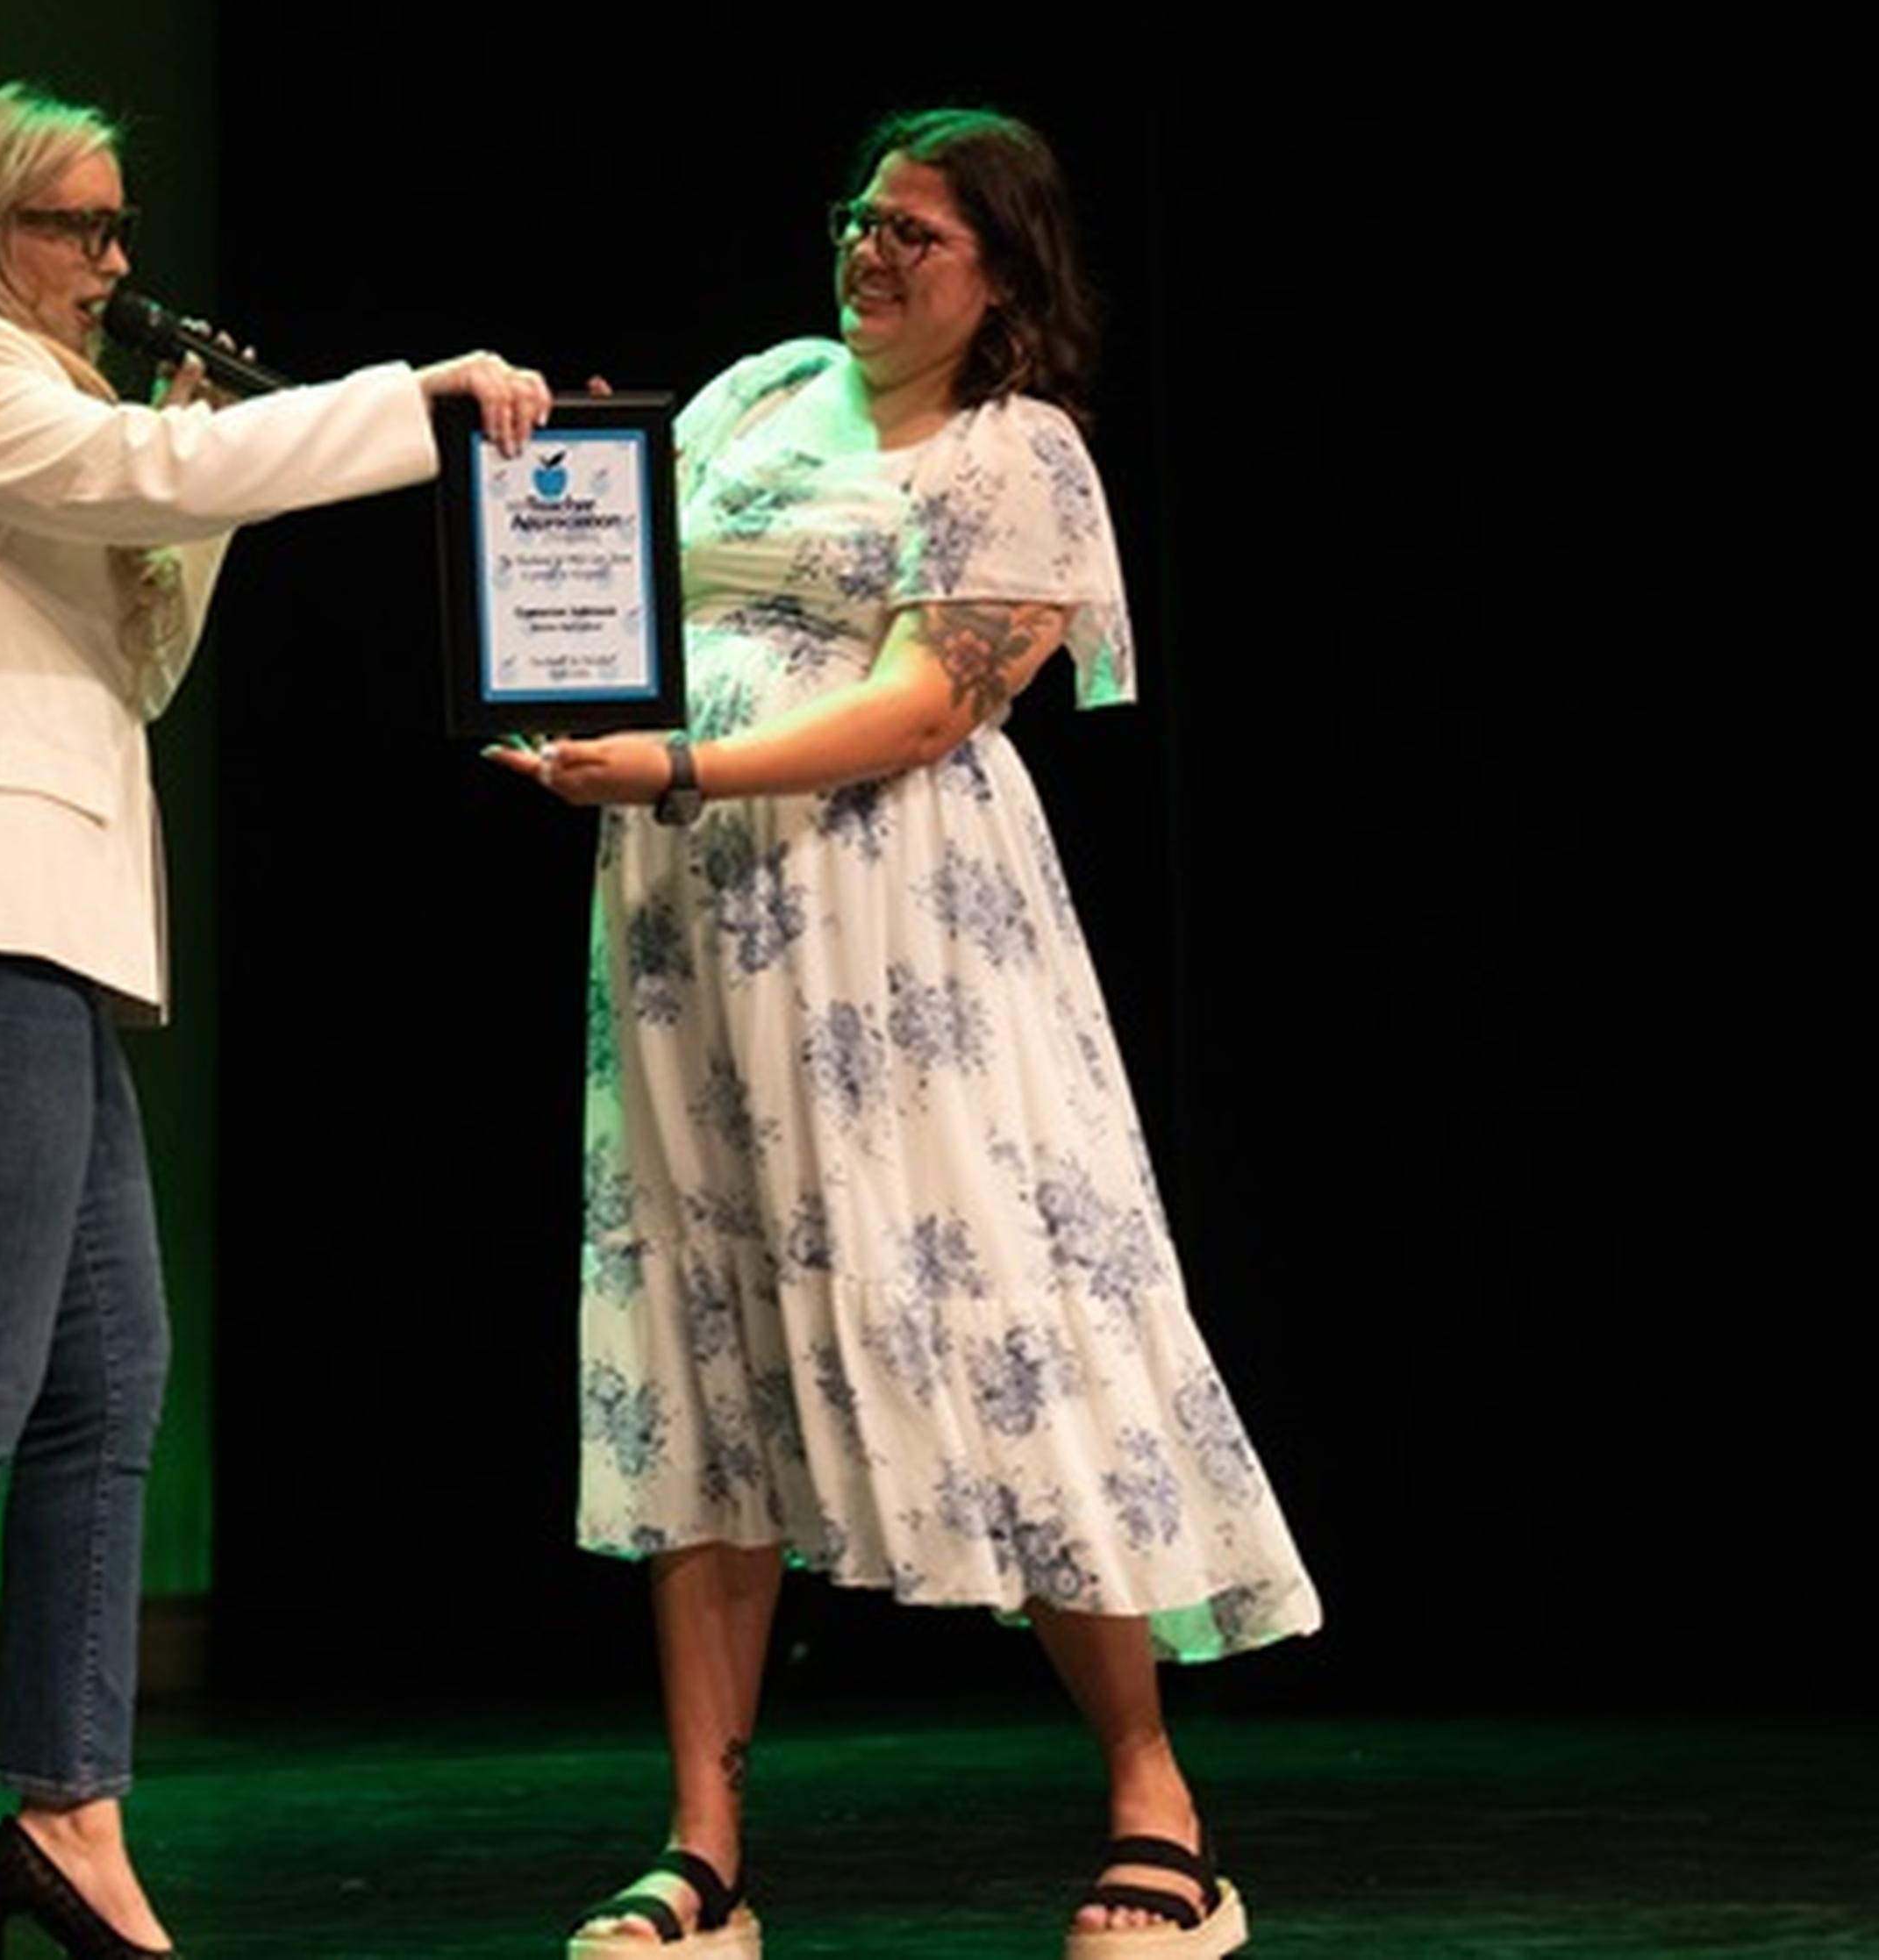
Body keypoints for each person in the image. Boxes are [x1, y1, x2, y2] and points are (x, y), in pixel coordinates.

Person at [0, 82, 548, 1960]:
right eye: (72, 230)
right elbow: (144, 486)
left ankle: (70, 1812)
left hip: (37, 938)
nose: (110, 266)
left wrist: (200, 470)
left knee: (110, 1379)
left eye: (116, 230)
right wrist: (408, 399)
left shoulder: (49, 417)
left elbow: (139, 653)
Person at [496, 109, 1315, 1960]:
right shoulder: (764, 393)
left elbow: (931, 703)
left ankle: (1153, 1791)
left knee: (1002, 1309)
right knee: (695, 1348)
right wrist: (564, 516)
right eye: (862, 218)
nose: (870, 252)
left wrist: (687, 758)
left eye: (918, 235)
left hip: (900, 940)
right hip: (690, 934)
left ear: (1005, 278)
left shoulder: (1020, 451)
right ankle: (705, 1849)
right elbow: (610, 579)